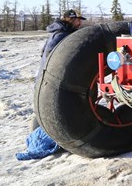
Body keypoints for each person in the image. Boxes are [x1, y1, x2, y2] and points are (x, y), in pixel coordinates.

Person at [17, 10, 87, 161]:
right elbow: (53, 59)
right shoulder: (61, 36)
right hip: (51, 82)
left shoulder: (60, 33)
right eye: (77, 20)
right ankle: (55, 138)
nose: (80, 23)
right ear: (70, 19)